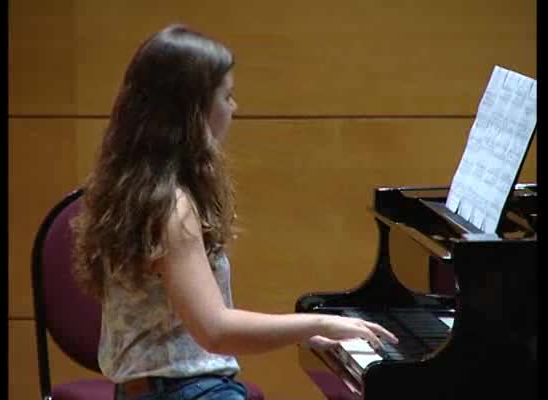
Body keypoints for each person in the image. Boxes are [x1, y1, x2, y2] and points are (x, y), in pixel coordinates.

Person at [71, 23, 398, 400]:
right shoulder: (171, 209)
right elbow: (215, 330)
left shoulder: (136, 190)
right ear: (193, 110)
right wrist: (318, 323)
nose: (234, 108)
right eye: (226, 96)